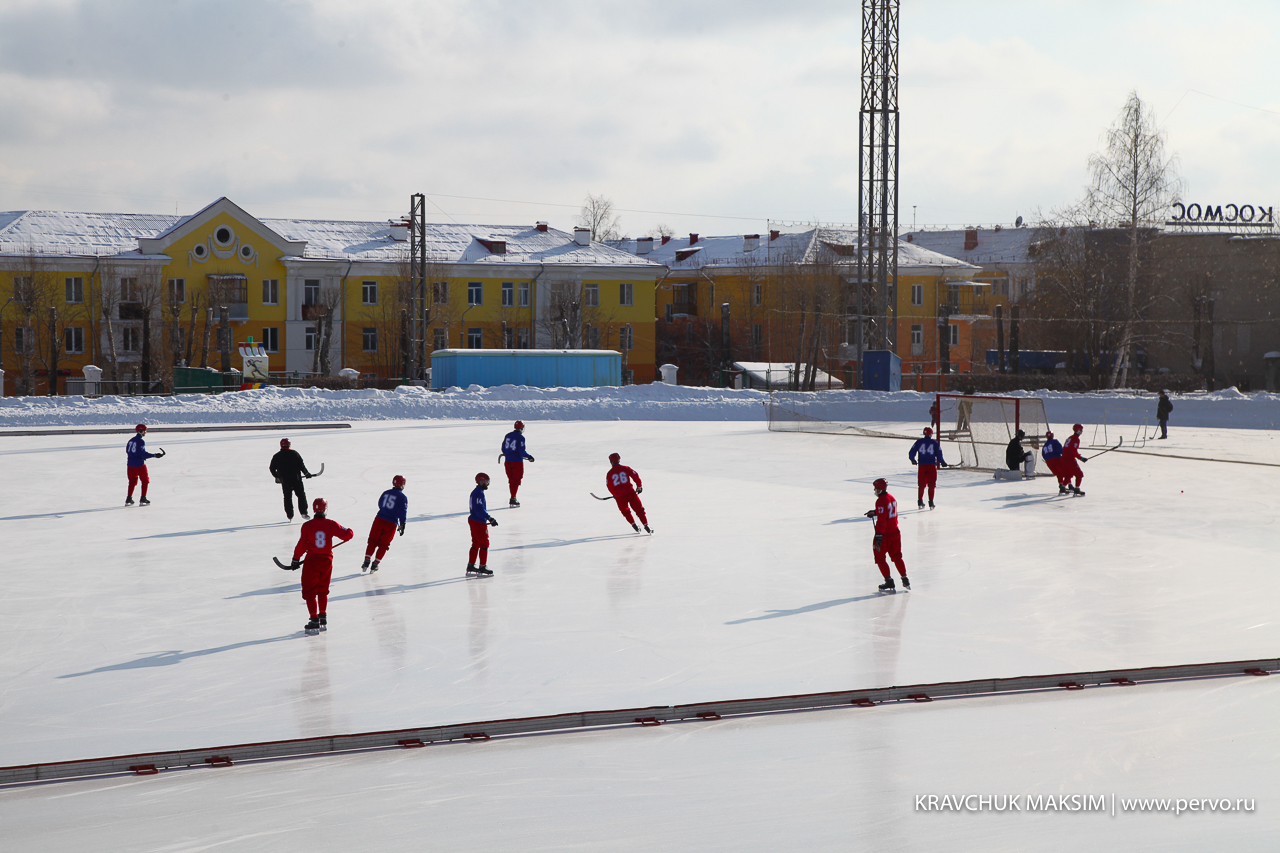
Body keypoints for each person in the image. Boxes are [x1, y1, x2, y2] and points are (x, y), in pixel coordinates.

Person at [284, 497, 353, 634]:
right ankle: (323, 617)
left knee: (310, 591)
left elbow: (302, 545)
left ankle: (314, 619)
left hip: (312, 562)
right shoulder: (331, 524)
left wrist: (296, 559)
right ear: (325, 509)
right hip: (326, 562)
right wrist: (349, 530)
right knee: (322, 590)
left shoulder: (307, 526)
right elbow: (347, 535)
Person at [864, 477, 909, 592]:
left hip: (884, 534)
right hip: (895, 532)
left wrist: (879, 534)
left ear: (880, 488)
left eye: (876, 488)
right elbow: (886, 512)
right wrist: (875, 512)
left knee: (880, 558)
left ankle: (888, 581)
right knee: (897, 556)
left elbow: (883, 519)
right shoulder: (891, 498)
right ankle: (905, 578)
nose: (875, 490)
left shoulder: (880, 500)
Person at [363, 475, 407, 572]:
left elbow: (380, 503)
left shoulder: (386, 492)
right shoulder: (402, 497)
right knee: (384, 544)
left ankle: (367, 560)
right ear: (402, 484)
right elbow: (402, 511)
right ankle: (375, 564)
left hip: (379, 519)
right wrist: (402, 523)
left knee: (373, 540)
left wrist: (384, 511)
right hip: (391, 522)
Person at [606, 452, 652, 533]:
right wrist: (639, 486)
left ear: (611, 461)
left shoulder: (609, 473)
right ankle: (646, 525)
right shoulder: (626, 468)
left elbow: (609, 486)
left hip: (619, 496)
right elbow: (635, 476)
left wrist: (614, 494)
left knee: (625, 511)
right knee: (639, 509)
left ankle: (634, 525)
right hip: (630, 493)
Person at [269, 438, 315, 521]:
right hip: (296, 479)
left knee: (287, 497)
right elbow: (301, 465)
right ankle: (304, 512)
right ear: (289, 444)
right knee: (301, 495)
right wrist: (306, 473)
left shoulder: (277, 456)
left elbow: (272, 468)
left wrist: (278, 477)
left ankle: (290, 515)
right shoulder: (294, 454)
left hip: (285, 481)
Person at [908, 426, 947, 509]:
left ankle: (920, 500)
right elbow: (939, 454)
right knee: (931, 484)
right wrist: (942, 462)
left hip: (922, 465)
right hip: (931, 465)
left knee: (921, 484)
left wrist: (913, 460)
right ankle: (931, 502)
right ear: (931, 434)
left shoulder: (919, 442)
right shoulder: (935, 443)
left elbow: (912, 451)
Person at [125, 423, 165, 506]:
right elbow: (143, 454)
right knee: (145, 480)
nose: (145, 432)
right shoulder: (140, 441)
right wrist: (154, 455)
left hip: (130, 464)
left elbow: (128, 451)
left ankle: (129, 498)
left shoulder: (131, 440)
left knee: (132, 481)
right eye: (144, 430)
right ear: (140, 431)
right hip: (139, 465)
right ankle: (143, 498)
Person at [467, 473, 498, 576]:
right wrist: (490, 518)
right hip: (478, 521)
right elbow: (479, 509)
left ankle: (471, 565)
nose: (487, 484)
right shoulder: (479, 493)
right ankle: (482, 567)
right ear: (481, 482)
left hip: (473, 520)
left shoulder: (476, 492)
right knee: (484, 543)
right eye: (486, 482)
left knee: (476, 543)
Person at [499, 420, 535, 507]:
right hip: (517, 462)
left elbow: (503, 449)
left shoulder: (508, 435)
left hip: (507, 461)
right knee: (516, 479)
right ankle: (513, 498)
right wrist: (529, 457)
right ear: (522, 428)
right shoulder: (521, 437)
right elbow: (521, 451)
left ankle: (513, 496)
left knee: (511, 480)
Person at [1061, 423, 1087, 496]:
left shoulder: (1070, 437)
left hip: (1064, 458)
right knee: (1079, 474)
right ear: (1078, 430)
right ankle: (1077, 489)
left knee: (1069, 474)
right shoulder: (1076, 439)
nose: (1082, 431)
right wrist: (1080, 458)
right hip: (1069, 459)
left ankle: (1062, 487)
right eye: (1081, 430)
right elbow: (1073, 450)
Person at [1040, 431, 1070, 495]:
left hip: (1048, 461)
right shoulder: (1055, 441)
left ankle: (1061, 484)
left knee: (1059, 473)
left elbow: (1043, 454)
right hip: (1056, 459)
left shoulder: (1045, 445)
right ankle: (1068, 485)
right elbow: (1060, 450)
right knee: (1067, 472)